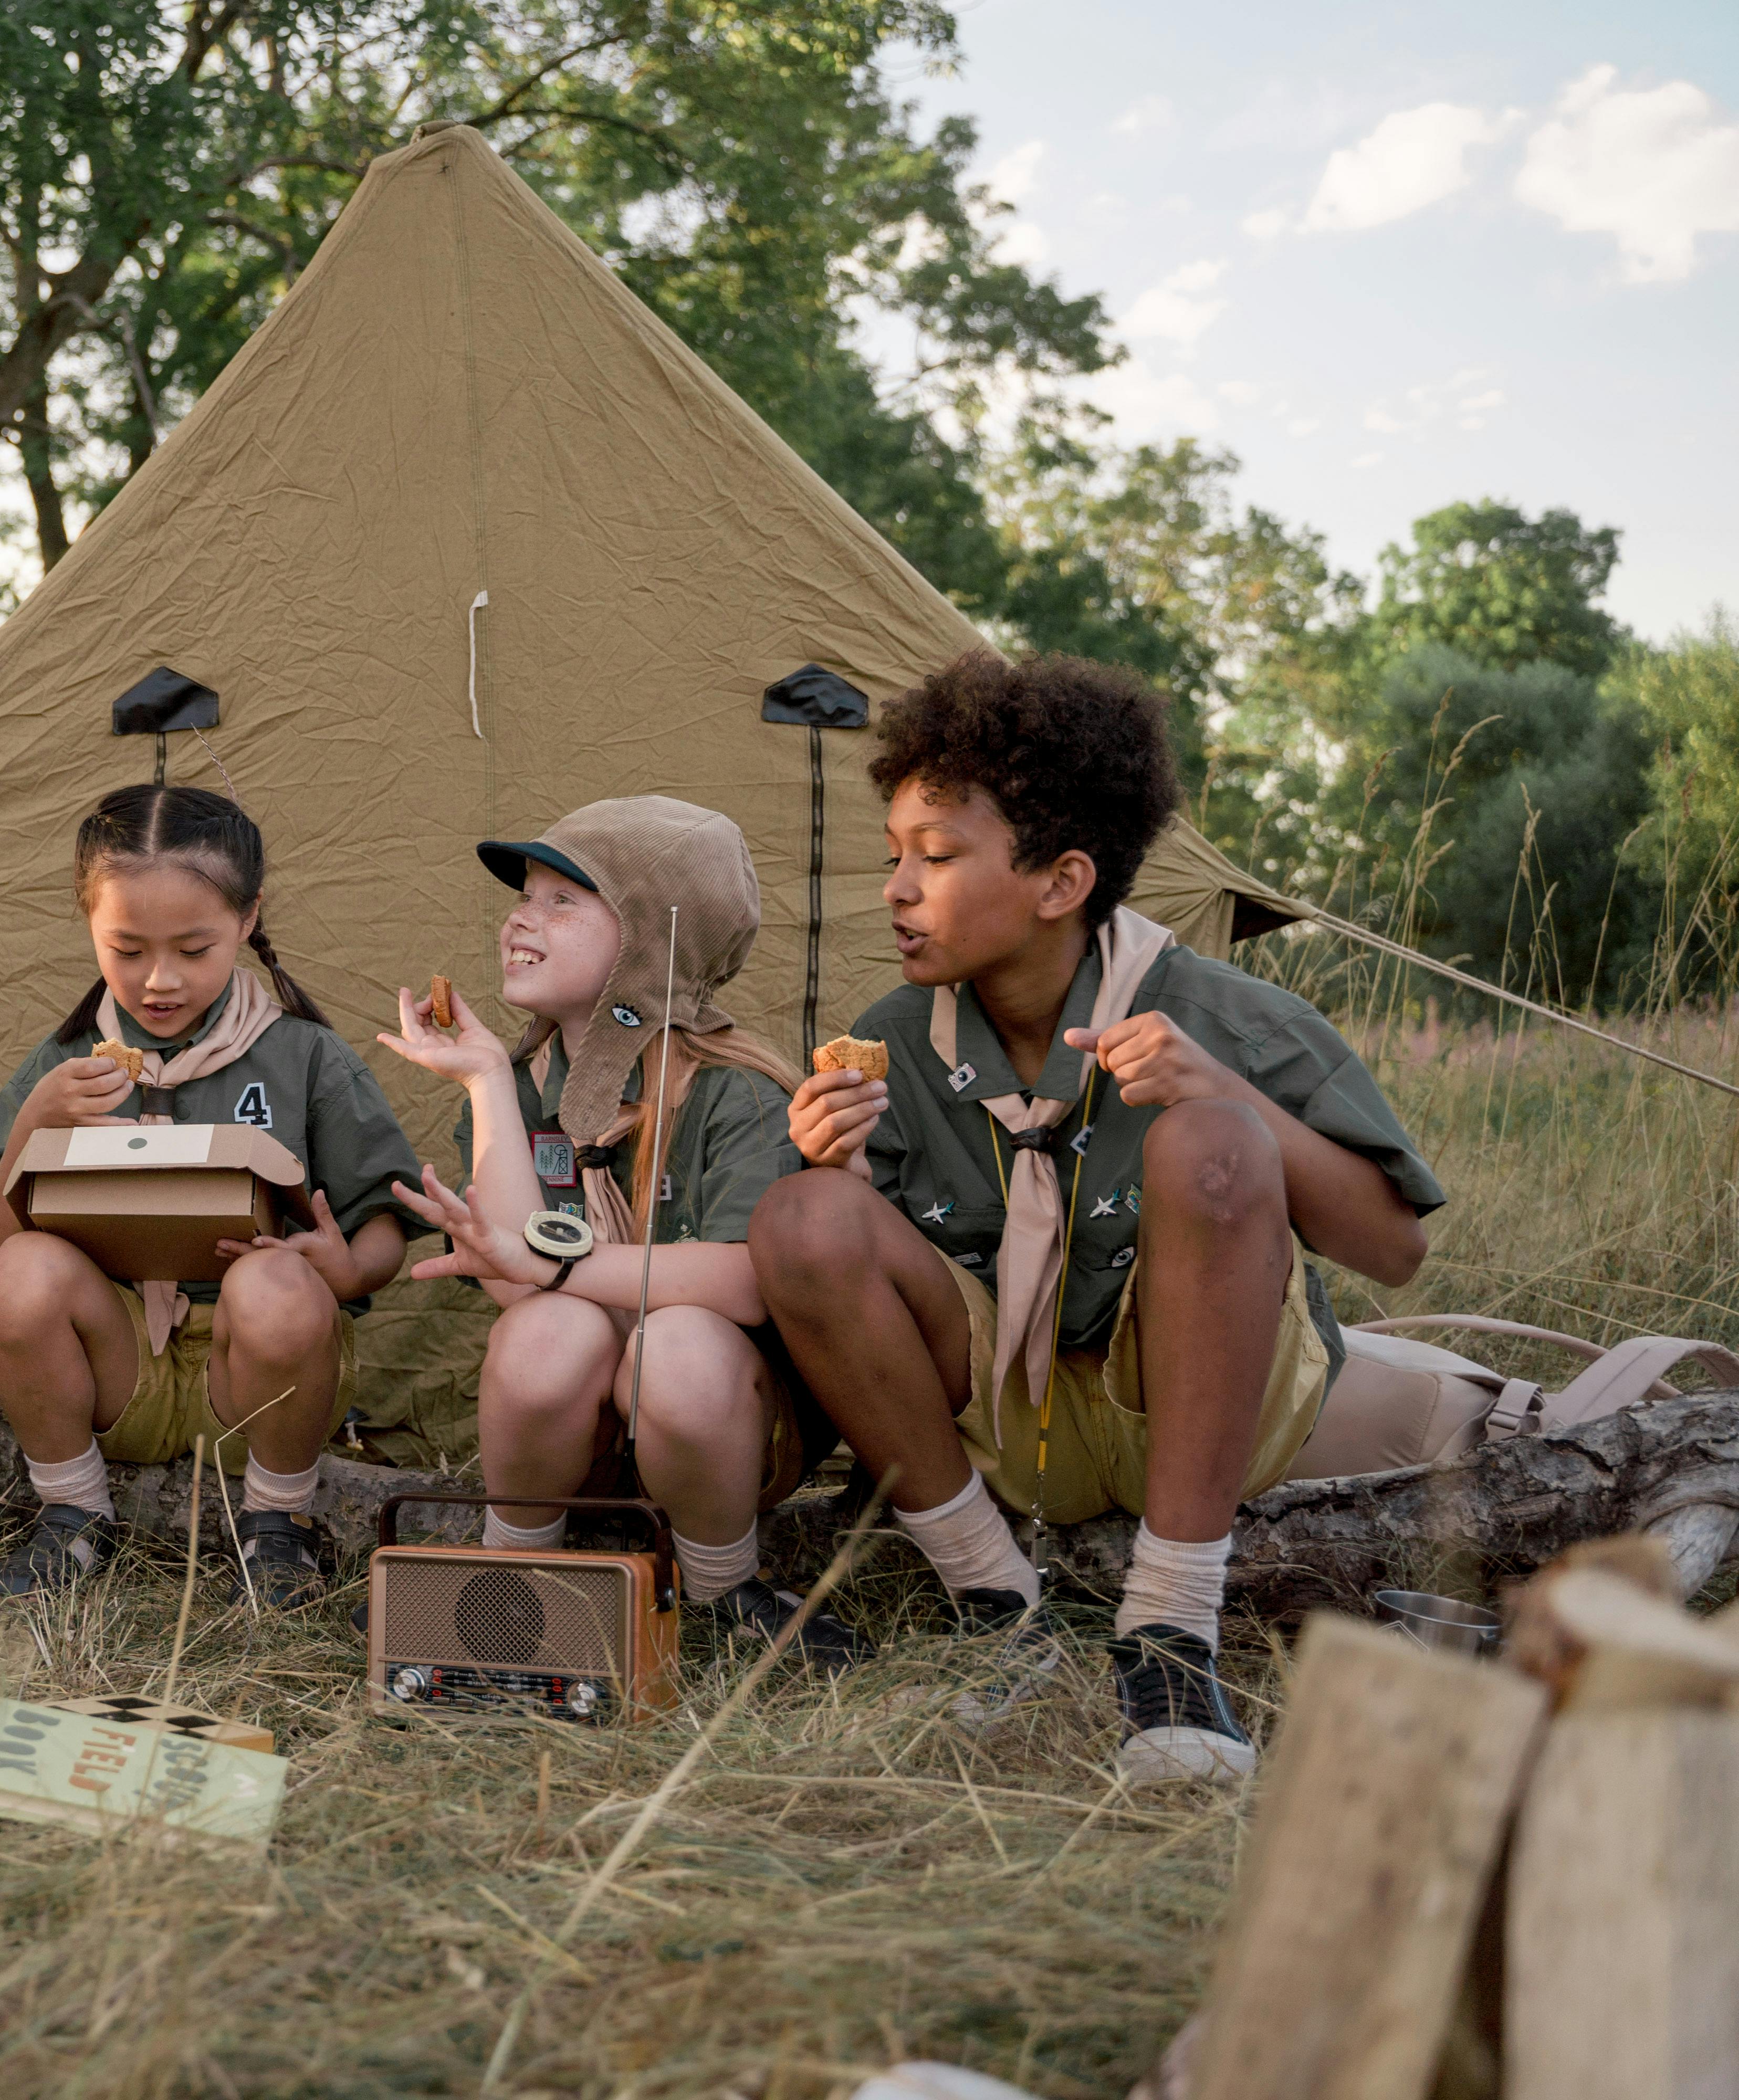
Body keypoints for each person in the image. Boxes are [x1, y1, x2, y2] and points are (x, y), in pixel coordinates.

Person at [749, 651, 1442, 1784]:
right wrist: (840, 1176)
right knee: (799, 1216)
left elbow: (1394, 1248)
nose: (896, 889)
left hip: (1207, 1416)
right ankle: (994, 1597)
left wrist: (1231, 1093)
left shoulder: (1223, 1011)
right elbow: (877, 1289)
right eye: (892, 857)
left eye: (936, 857)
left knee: (1213, 1144)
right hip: (1010, 1428)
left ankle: (1171, 1634)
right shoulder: (894, 1037)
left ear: (1061, 883)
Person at [377, 797, 870, 1666]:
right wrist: (488, 1080)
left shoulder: (737, 1089)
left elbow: (745, 1281)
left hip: (723, 1430)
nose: (521, 917)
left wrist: (557, 1269)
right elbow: (506, 1276)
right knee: (541, 1329)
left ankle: (722, 1592)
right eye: (523, 895)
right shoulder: (525, 1085)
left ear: (651, 937)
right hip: (581, 1444)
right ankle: (515, 1573)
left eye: (564, 900)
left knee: (678, 1342)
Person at [0, 784, 421, 1608]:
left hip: (258, 1388)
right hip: (119, 1366)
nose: (159, 981)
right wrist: (35, 1120)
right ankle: (72, 1516)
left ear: (247, 920)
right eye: (126, 950)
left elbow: (386, 1220)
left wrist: (341, 1272)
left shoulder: (303, 1057)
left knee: (273, 1282)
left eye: (194, 950)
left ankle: (279, 1528)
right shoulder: (67, 1065)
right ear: (89, 924)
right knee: (26, 1270)